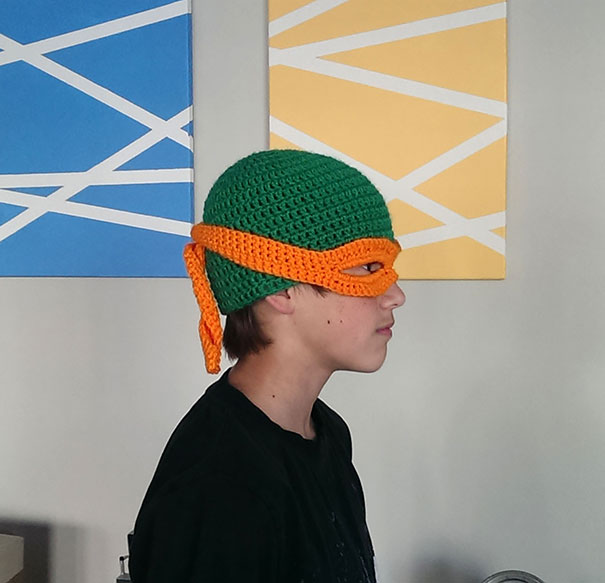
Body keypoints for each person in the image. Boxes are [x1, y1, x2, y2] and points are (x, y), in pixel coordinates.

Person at [129, 149, 405, 583]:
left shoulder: (327, 434)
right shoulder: (219, 490)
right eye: (369, 268)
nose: (395, 296)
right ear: (280, 289)